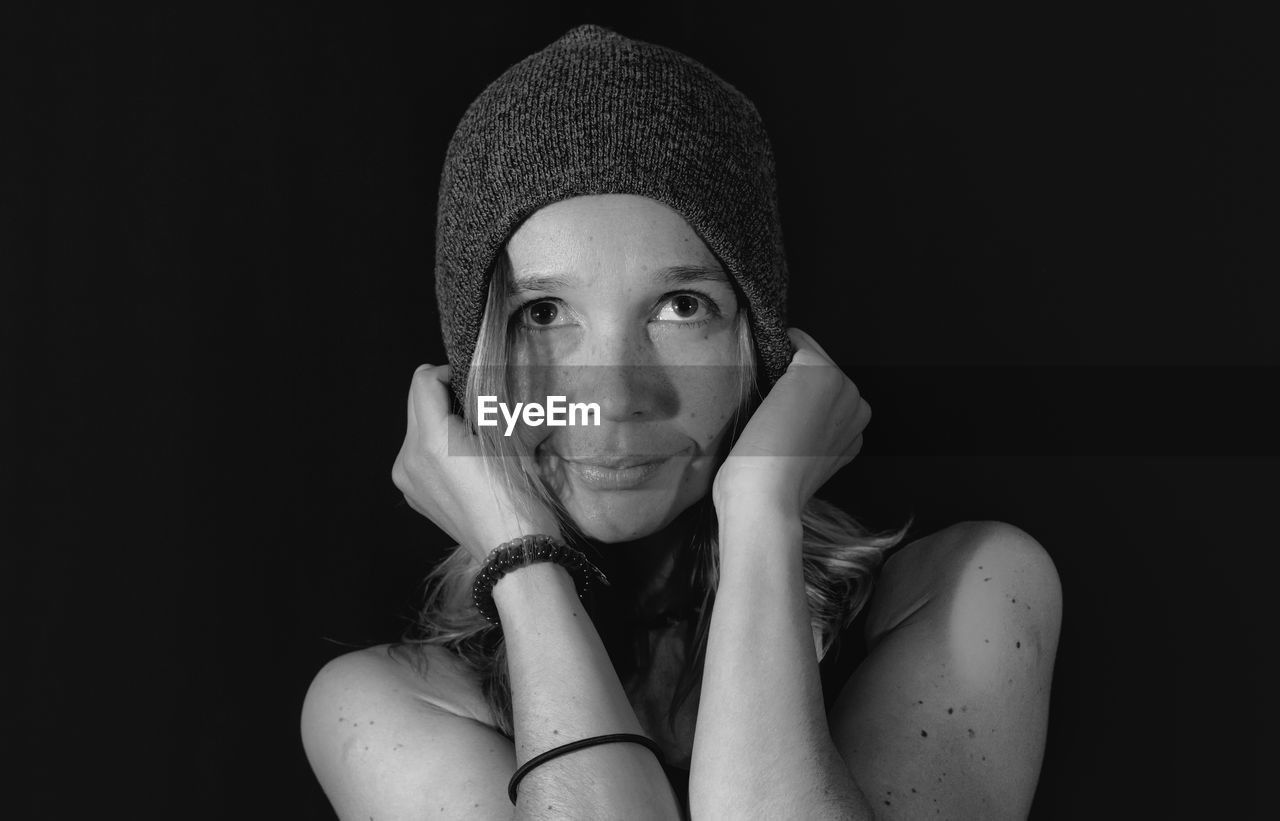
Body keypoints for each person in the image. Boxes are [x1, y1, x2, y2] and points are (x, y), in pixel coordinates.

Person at [301, 24, 1062, 820]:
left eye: (680, 306)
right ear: (478, 365)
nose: (620, 393)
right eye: (545, 312)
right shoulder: (384, 707)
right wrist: (521, 564)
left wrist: (761, 510)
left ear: (758, 347)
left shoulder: (969, 592)